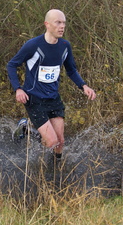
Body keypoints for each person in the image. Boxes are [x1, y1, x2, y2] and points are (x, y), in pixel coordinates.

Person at [7, 9, 96, 158]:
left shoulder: (65, 46)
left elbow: (71, 70)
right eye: (58, 22)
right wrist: (18, 89)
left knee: (60, 142)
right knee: (52, 141)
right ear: (47, 24)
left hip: (53, 98)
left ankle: (56, 171)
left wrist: (84, 86)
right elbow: (11, 65)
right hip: (34, 99)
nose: (62, 26)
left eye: (64, 23)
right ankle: (27, 129)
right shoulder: (33, 45)